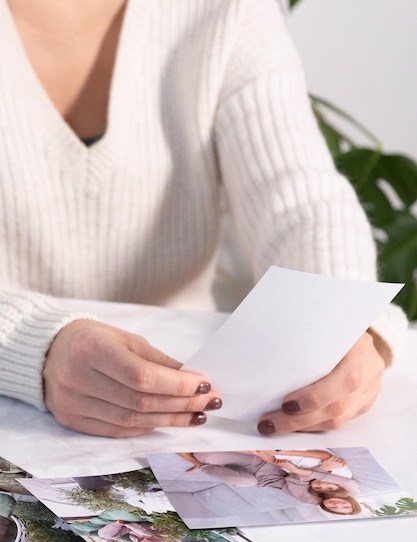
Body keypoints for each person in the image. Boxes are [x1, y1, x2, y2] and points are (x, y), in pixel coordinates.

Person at [0, 0, 407, 438]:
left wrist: (340, 324)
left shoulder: (225, 9)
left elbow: (300, 199)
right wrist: (32, 347)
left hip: (187, 415)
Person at [177, 451, 360, 505]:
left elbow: (293, 480)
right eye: (329, 486)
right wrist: (320, 471)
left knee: (246, 482)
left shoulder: (311, 500)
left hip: (260, 479)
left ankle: (196, 463)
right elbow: (349, 485)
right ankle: (204, 463)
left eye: (320, 489)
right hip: (263, 462)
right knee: (207, 455)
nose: (322, 485)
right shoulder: (346, 486)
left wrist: (319, 469)